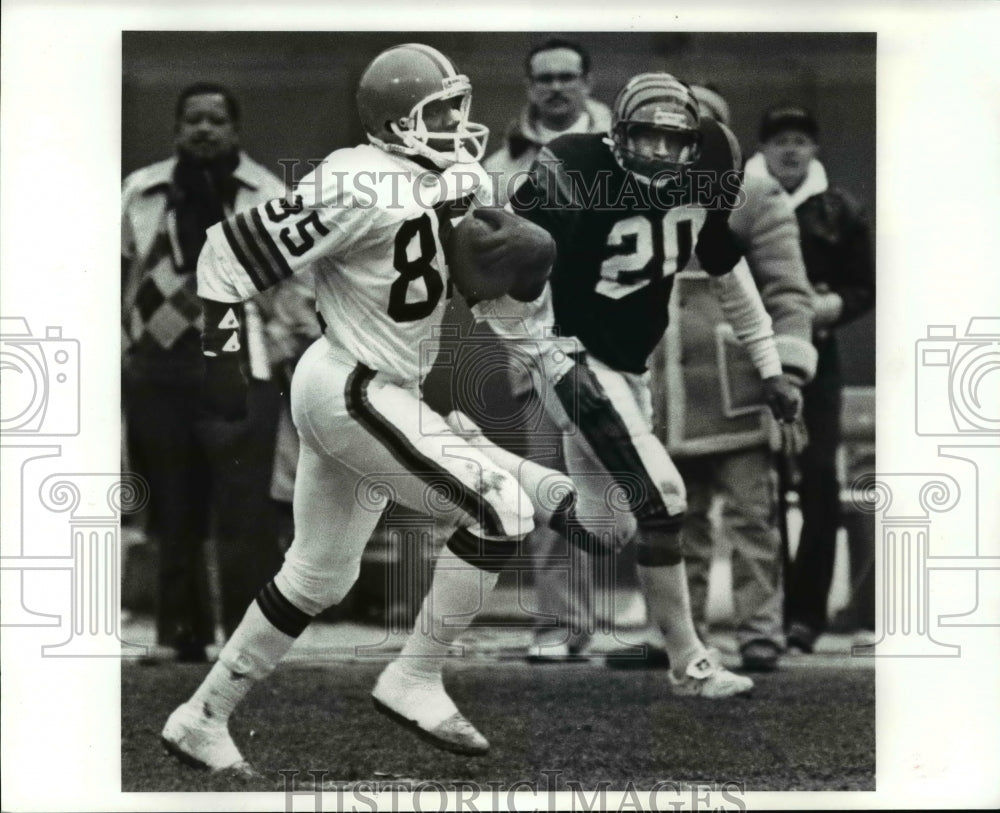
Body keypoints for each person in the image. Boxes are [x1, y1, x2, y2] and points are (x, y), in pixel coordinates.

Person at [160, 43, 570, 775]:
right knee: (501, 509)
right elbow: (225, 253)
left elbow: (489, 284)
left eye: (457, 105)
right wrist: (221, 356)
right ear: (393, 120)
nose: (456, 121)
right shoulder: (356, 180)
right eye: (436, 109)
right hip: (351, 383)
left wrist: (541, 338)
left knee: (320, 574)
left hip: (381, 387)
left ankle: (202, 715)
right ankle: (413, 677)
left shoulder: (461, 176)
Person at [474, 73, 803, 695]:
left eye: (670, 142)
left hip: (628, 369)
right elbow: (502, 263)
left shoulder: (704, 174)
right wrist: (531, 345)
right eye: (644, 139)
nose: (657, 154)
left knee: (610, 530)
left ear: (691, 145)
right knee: (666, 497)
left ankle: (501, 482)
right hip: (571, 357)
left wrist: (772, 368)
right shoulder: (575, 166)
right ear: (618, 135)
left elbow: (733, 282)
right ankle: (690, 663)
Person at [121, 82, 288, 661]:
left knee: (243, 507)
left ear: (236, 130)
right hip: (156, 366)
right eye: (192, 119)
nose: (204, 129)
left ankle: (245, 641)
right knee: (172, 505)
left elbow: (300, 281)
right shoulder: (142, 191)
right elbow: (113, 269)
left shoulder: (266, 193)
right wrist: (123, 345)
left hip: (237, 360)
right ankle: (180, 635)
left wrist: (284, 342)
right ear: (176, 129)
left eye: (217, 119)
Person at [658, 85, 817, 672]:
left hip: (743, 388)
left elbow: (788, 291)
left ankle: (760, 634)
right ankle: (682, 635)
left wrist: (789, 373)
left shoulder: (753, 193)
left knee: (753, 522)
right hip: (664, 390)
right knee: (676, 522)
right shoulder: (638, 193)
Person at [476, 38, 612, 660]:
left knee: (638, 489)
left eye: (567, 77)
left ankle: (663, 624)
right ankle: (561, 624)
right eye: (544, 79)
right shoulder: (502, 170)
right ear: (530, 87)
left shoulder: (628, 149)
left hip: (623, 348)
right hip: (540, 349)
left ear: (588, 82)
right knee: (555, 488)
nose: (556, 88)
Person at [746, 105, 875, 653]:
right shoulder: (738, 199)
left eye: (801, 139)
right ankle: (764, 614)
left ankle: (806, 616)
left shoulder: (842, 209)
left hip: (816, 362)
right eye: (781, 141)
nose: (791, 150)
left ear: (815, 148)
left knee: (818, 480)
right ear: (765, 149)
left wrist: (829, 307)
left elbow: (865, 286)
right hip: (749, 359)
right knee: (760, 487)